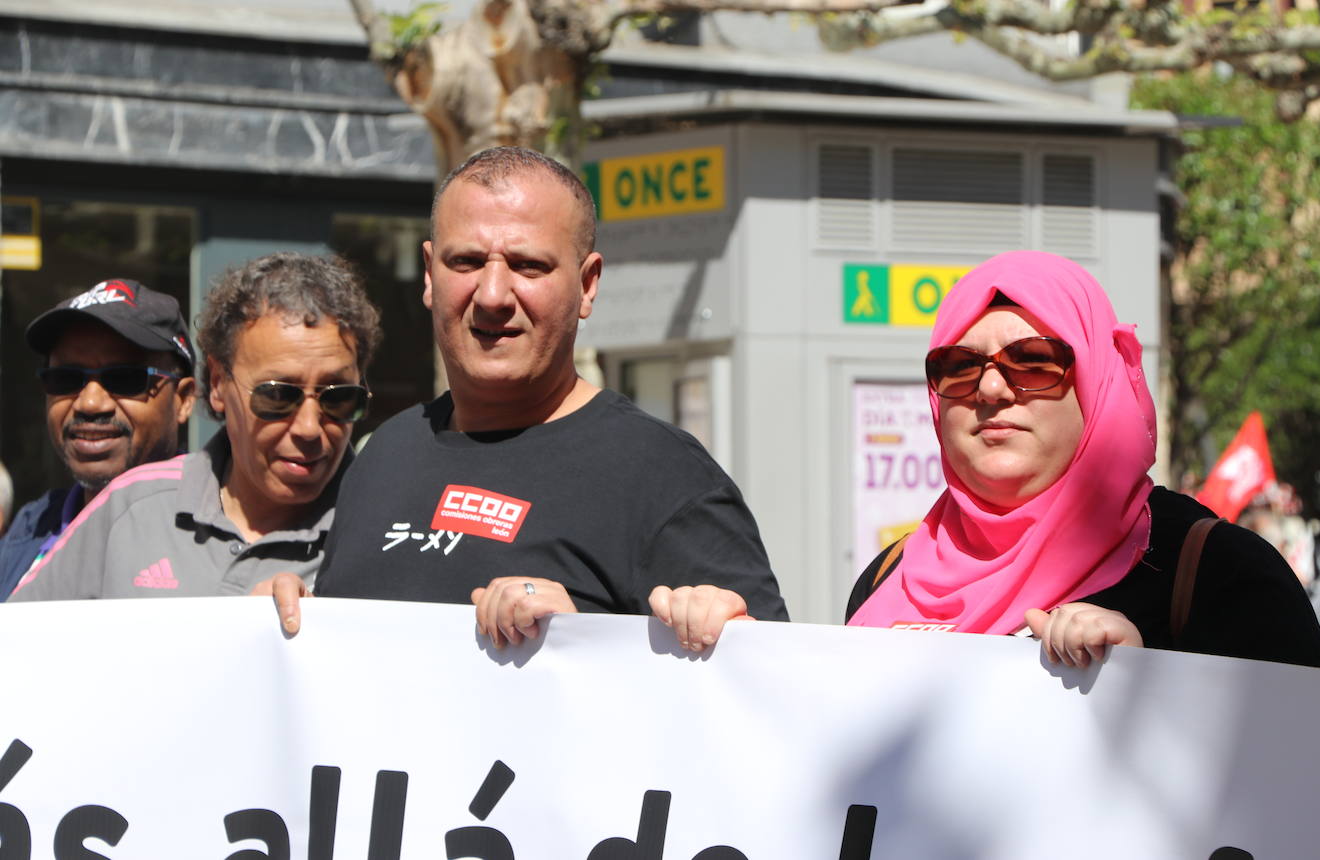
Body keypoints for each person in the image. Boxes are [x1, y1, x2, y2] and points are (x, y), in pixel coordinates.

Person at [267, 146, 787, 648]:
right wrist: (301, 623)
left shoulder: (665, 477)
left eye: (528, 266)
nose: (493, 295)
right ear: (430, 275)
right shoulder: (383, 454)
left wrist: (585, 640)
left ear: (587, 285)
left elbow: (766, 697)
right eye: (467, 261)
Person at [845, 251, 1320, 669]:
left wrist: (1145, 681)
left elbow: (1310, 764)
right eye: (959, 367)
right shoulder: (889, 577)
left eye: (1034, 361)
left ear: (1096, 382)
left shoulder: (1217, 573)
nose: (990, 389)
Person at [9, 253, 380, 601]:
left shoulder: (385, 531)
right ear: (218, 385)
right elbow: (18, 651)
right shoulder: (130, 507)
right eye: (278, 396)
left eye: (338, 398)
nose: (309, 428)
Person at [0, 280, 197, 599]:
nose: (90, 404)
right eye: (66, 379)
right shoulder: (32, 526)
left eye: (125, 379)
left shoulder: (217, 529)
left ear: (184, 399)